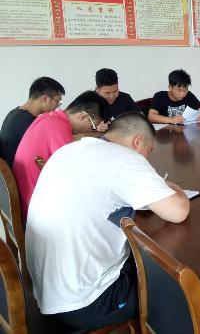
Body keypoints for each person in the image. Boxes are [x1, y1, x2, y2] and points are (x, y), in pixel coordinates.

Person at [25, 112, 190, 331]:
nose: (146, 159)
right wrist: (174, 187)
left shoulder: (69, 150)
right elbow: (178, 212)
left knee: (143, 257)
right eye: (148, 151)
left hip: (47, 288)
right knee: (180, 290)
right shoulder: (124, 158)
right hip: (86, 302)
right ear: (138, 141)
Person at [13, 91, 106, 219]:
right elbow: (71, 176)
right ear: (83, 117)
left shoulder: (49, 117)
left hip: (24, 196)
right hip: (36, 209)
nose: (90, 129)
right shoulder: (59, 127)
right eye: (92, 126)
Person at [0, 77, 64, 167]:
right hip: (15, 174)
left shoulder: (14, 113)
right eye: (57, 101)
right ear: (44, 99)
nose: (57, 107)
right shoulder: (28, 123)